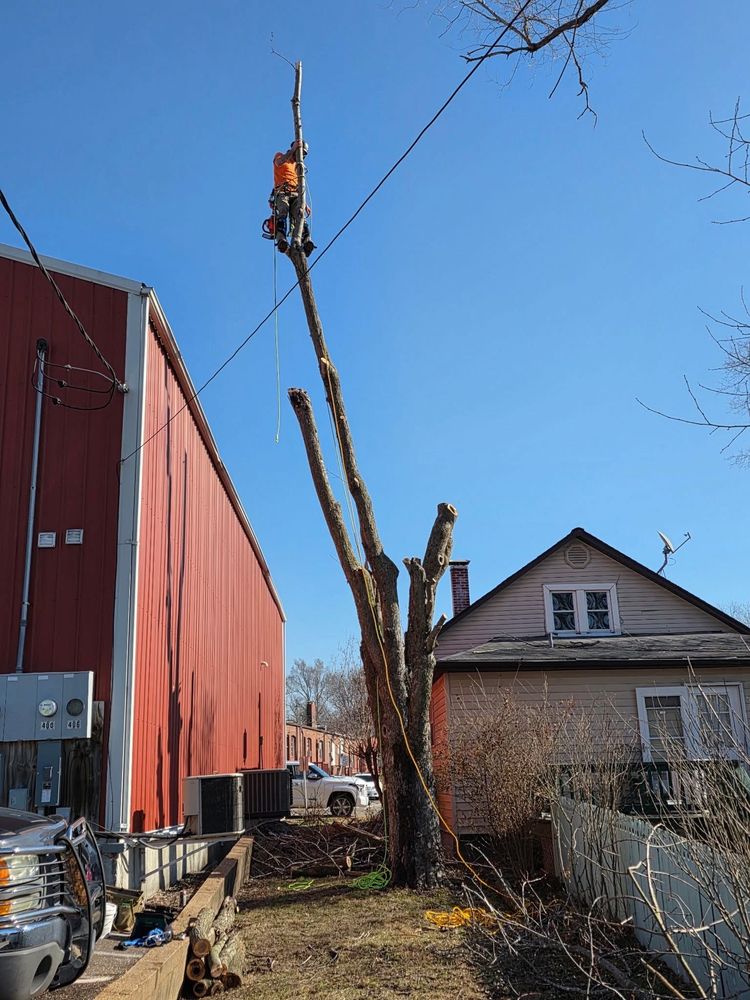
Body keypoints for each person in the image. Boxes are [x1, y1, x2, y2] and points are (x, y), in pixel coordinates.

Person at [271, 140, 315, 256]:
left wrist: (304, 204)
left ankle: (306, 241)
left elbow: (299, 185)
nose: (302, 156)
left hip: (296, 194)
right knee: (283, 212)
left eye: (304, 154)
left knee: (300, 215)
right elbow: (279, 163)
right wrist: (292, 150)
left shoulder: (298, 167)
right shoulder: (280, 156)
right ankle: (281, 240)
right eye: (301, 153)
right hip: (282, 192)